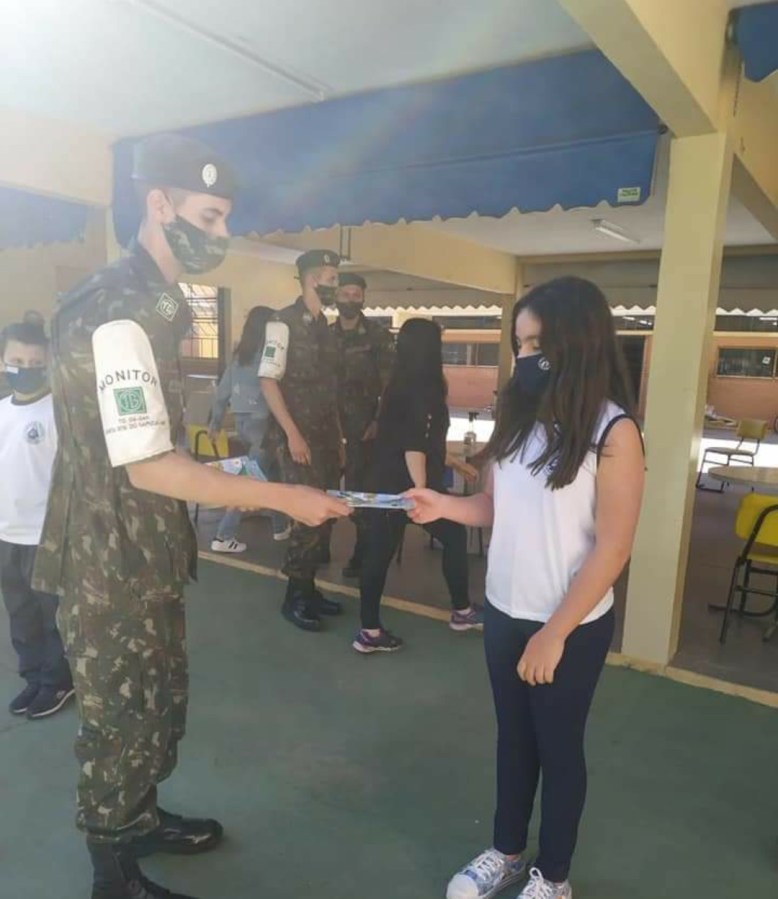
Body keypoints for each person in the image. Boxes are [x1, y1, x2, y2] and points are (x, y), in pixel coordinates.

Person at [32, 133, 348, 899]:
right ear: (159, 205)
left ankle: (139, 816)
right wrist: (284, 496)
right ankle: (113, 872)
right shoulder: (116, 310)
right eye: (209, 216)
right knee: (121, 716)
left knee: (158, 700)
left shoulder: (157, 305)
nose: (221, 233)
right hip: (108, 560)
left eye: (225, 218)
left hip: (145, 548)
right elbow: (149, 464)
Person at [407, 278, 645, 899]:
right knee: (514, 742)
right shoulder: (517, 419)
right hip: (504, 611)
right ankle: (507, 852)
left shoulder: (613, 431)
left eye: (538, 343)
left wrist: (554, 634)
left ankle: (554, 877)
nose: (526, 357)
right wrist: (442, 505)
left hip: (569, 626)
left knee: (558, 750)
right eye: (520, 344)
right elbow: (494, 506)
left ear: (578, 342)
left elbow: (613, 547)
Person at [354, 318, 482, 654]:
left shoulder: (400, 385)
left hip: (390, 483)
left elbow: (423, 441)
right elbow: (414, 445)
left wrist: (455, 463)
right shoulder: (422, 389)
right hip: (407, 488)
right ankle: (460, 612)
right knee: (449, 536)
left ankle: (370, 629)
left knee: (380, 553)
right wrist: (422, 492)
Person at [259, 249, 346, 632]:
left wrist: (338, 439)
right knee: (305, 517)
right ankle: (294, 596)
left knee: (324, 514)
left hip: (324, 436)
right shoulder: (282, 323)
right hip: (295, 437)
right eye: (331, 278)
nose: (335, 286)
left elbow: (330, 389)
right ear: (312, 279)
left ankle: (309, 589)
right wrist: (293, 434)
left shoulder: (326, 326)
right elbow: (268, 381)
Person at [0, 316, 73, 719]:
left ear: (48, 365)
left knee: (52, 617)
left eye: (34, 363)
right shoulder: (1, 412)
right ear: (3, 362)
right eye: (17, 362)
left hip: (47, 537)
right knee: (21, 614)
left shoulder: (58, 414)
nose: (25, 369)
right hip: (7, 535)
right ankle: (33, 677)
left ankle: (58, 681)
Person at [208, 305, 290, 553]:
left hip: (243, 423)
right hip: (263, 425)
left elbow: (222, 392)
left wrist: (215, 423)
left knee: (272, 475)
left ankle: (280, 527)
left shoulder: (240, 355)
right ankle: (223, 536)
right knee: (250, 480)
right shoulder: (271, 355)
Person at [330, 272, 395, 578]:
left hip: (364, 429)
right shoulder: (323, 335)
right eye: (345, 294)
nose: (351, 300)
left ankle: (362, 553)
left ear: (363, 298)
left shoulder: (378, 336)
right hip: (327, 427)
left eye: (356, 295)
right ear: (336, 297)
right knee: (324, 488)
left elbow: (390, 384)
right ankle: (317, 545)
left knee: (361, 492)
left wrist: (379, 420)